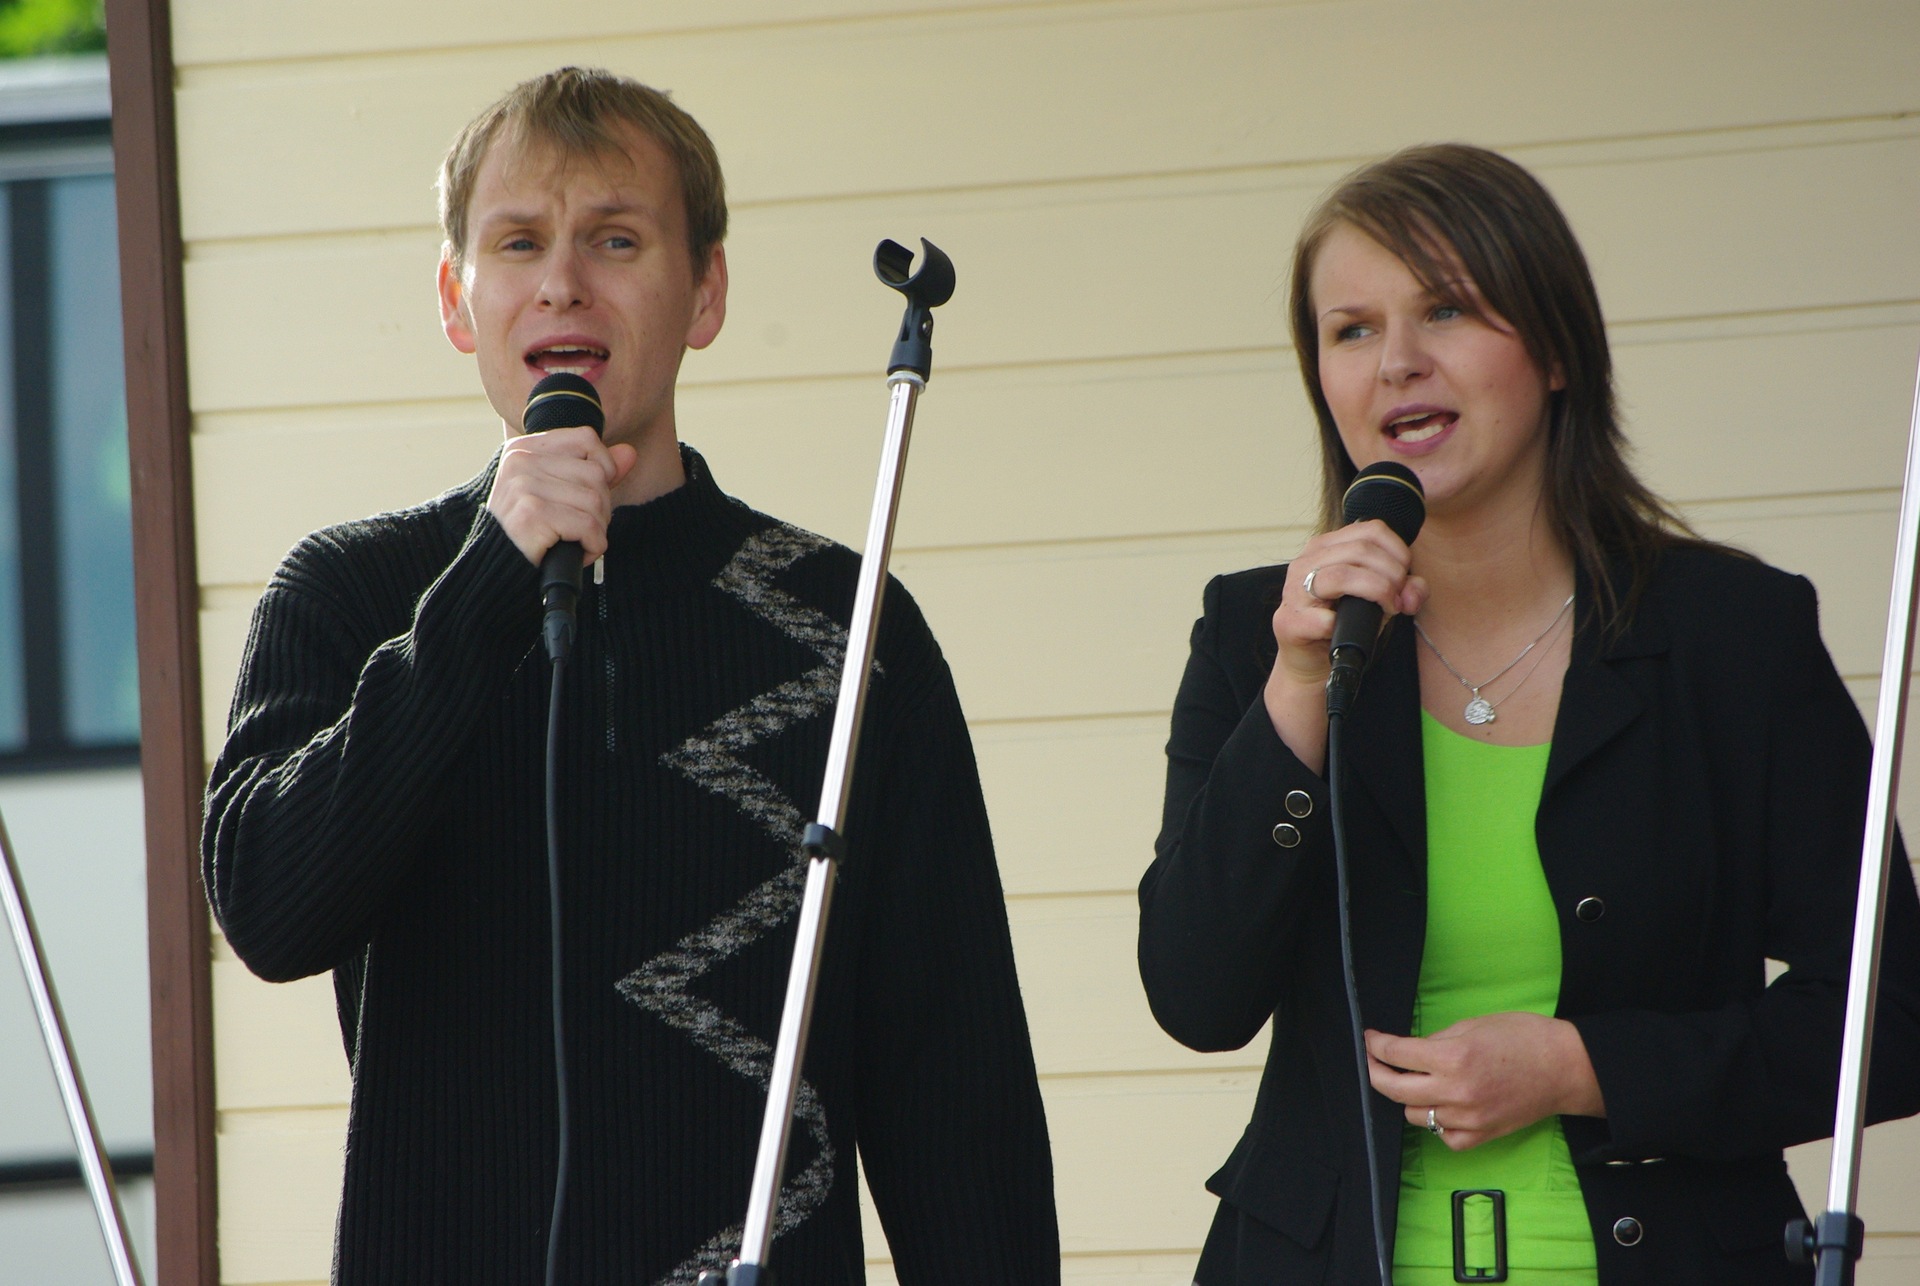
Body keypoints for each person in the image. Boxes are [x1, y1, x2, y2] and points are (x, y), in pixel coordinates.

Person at [202, 67, 1058, 1285]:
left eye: (615, 238)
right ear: (457, 298)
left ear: (705, 292)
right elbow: (270, 908)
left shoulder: (851, 622)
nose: (562, 280)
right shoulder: (351, 592)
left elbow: (956, 1090)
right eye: (519, 242)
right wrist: (485, 586)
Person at [1137, 143, 1920, 1284]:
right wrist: (1298, 686)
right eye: (1351, 330)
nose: (1396, 362)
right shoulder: (1260, 632)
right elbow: (1195, 996)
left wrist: (1583, 1068)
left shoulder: (1730, 633)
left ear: (1556, 350)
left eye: (1446, 310)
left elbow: (1891, 1015)